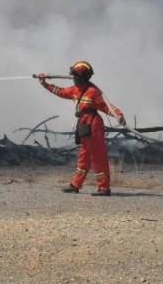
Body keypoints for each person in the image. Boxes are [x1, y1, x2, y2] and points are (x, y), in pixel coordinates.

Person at [36, 61, 125, 196]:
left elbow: (106, 107)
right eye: (74, 76)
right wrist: (44, 84)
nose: (75, 79)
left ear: (84, 78)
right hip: (83, 125)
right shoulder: (74, 90)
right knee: (83, 157)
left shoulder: (93, 92)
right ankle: (75, 185)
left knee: (98, 157)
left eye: (77, 77)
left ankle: (104, 188)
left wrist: (118, 114)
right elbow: (60, 91)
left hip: (94, 126)